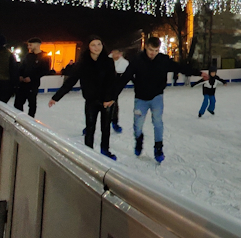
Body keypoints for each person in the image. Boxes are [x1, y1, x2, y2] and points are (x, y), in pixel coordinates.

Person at [118, 35, 205, 163]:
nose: (153, 53)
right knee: (138, 125)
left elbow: (180, 67)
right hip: (140, 98)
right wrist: (112, 96)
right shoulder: (137, 60)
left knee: (158, 122)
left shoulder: (163, 60)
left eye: (156, 51)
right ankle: (139, 139)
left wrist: (199, 73)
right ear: (145, 47)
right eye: (150, 50)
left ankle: (158, 148)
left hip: (157, 97)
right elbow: (125, 77)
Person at [49, 36, 119, 159]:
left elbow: (112, 81)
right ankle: (89, 153)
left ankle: (105, 150)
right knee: (90, 127)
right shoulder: (83, 64)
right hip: (91, 100)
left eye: (99, 44)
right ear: (88, 47)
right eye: (93, 45)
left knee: (106, 127)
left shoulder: (108, 62)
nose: (97, 47)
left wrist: (111, 98)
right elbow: (71, 81)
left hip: (107, 101)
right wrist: (56, 97)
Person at [14, 37, 52, 117]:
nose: (29, 47)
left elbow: (45, 71)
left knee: (32, 103)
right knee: (18, 103)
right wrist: (20, 75)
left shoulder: (45, 56)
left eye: (30, 45)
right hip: (22, 84)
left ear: (37, 45)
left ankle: (30, 120)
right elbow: (22, 67)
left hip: (33, 84)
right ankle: (20, 118)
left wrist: (32, 78)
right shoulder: (28, 56)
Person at [108, 48, 129, 132]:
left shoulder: (124, 63)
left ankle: (114, 122)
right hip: (103, 86)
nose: (115, 54)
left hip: (114, 88)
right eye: (114, 52)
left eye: (117, 53)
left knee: (114, 106)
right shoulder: (105, 60)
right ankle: (90, 125)